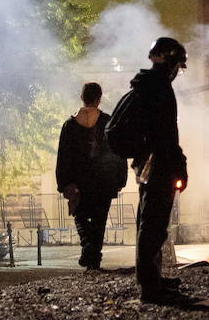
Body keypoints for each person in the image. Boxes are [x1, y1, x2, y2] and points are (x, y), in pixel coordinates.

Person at [130, 37, 189, 304]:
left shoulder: (145, 85)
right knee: (154, 226)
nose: (178, 70)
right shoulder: (159, 89)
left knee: (149, 224)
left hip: (147, 164)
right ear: (170, 62)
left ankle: (151, 278)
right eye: (178, 64)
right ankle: (150, 286)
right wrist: (180, 166)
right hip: (159, 165)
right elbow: (166, 136)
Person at [55, 82, 127, 272]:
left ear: (82, 98)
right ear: (99, 99)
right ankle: (94, 258)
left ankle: (87, 246)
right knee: (99, 221)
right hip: (105, 180)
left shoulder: (70, 125)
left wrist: (64, 182)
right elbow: (118, 150)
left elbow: (63, 155)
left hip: (79, 182)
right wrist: (120, 178)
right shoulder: (108, 122)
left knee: (80, 216)